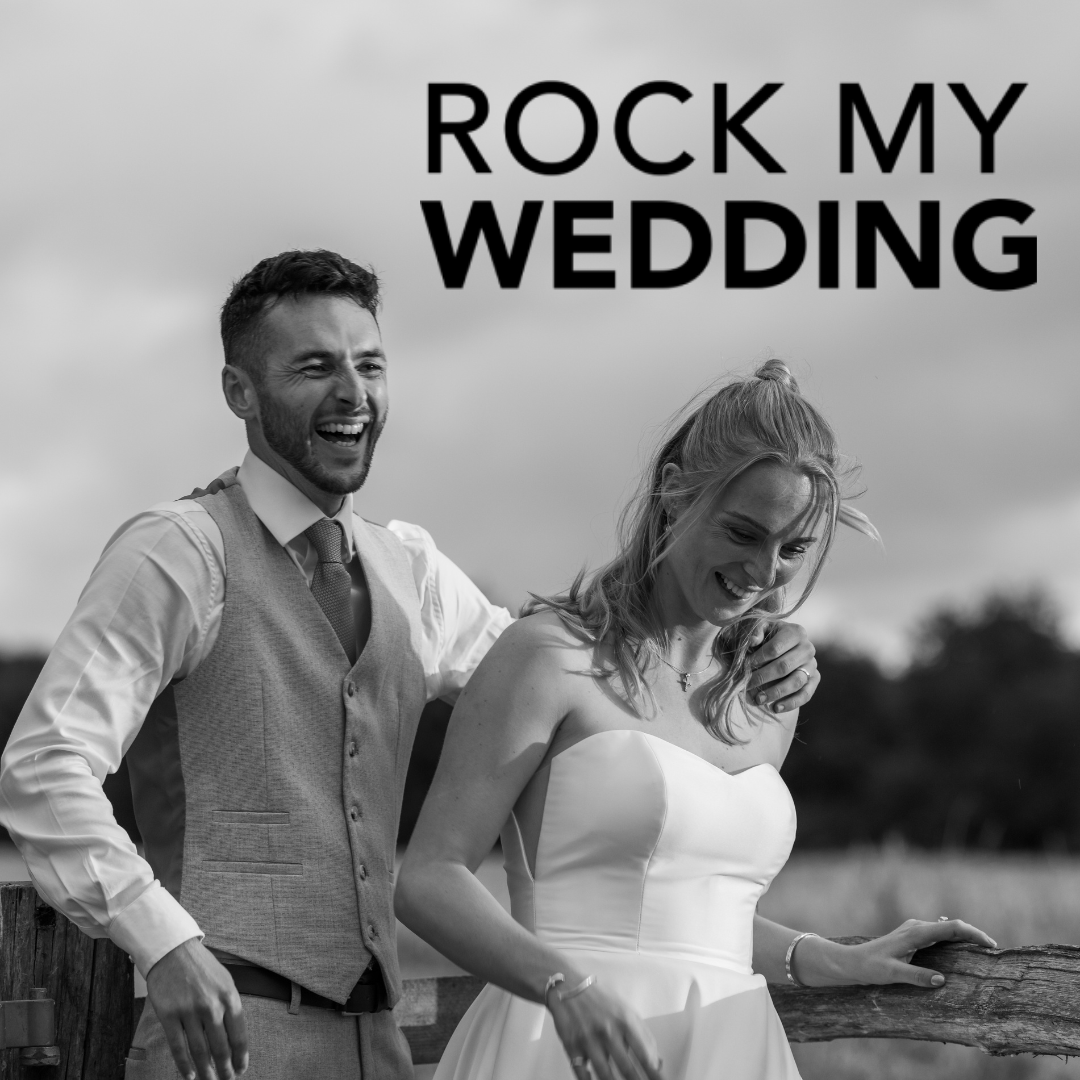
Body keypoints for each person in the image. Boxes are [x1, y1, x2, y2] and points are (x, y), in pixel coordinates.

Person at [0, 252, 821, 1080]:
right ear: (239, 392)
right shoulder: (179, 552)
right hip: (218, 1041)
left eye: (370, 365)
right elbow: (44, 766)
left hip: (376, 1046)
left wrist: (745, 644)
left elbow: (597, 682)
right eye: (315, 367)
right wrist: (163, 942)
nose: (352, 394)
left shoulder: (414, 573)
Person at [395, 359, 996, 1080]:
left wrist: (833, 957)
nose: (765, 572)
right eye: (744, 533)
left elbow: (696, 920)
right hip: (563, 1046)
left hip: (731, 1049)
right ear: (676, 494)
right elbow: (428, 877)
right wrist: (562, 986)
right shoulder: (547, 656)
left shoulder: (763, 701)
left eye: (794, 549)